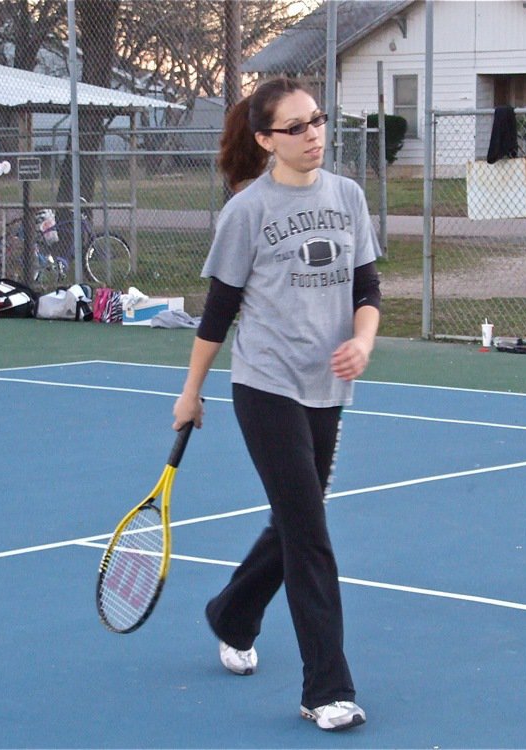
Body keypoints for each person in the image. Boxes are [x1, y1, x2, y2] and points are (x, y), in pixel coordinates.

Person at [172, 77, 382, 732]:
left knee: (297, 520)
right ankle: (326, 689)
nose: (314, 134)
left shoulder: (347, 197)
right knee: (310, 534)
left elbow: (368, 288)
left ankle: (232, 613)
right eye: (296, 126)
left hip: (329, 386)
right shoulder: (247, 212)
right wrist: (191, 391)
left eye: (317, 121)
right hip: (265, 386)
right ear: (266, 141)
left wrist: (365, 342)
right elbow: (219, 312)